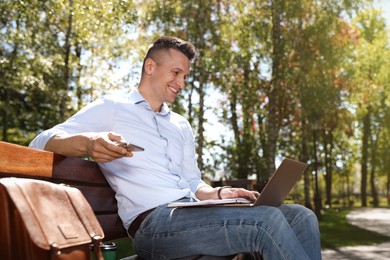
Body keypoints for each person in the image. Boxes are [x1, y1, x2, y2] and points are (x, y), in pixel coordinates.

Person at [30, 36, 322, 260]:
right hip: (154, 226)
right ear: (150, 66)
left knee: (301, 215)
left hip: (193, 214)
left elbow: (193, 183)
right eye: (176, 72)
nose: (181, 83)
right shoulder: (113, 108)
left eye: (185, 76)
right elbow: (41, 141)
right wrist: (88, 142)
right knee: (265, 220)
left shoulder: (180, 124)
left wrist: (222, 193)